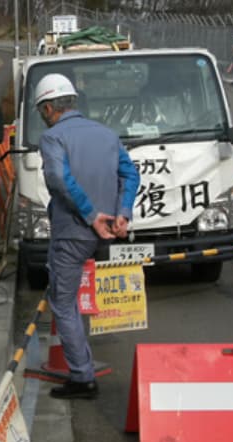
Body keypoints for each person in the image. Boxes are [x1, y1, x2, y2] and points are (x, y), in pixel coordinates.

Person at [34, 73, 140, 399]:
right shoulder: (106, 134)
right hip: (106, 233)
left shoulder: (53, 138)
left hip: (73, 231)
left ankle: (82, 376)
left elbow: (58, 179)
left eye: (42, 110)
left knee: (62, 303)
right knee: (78, 300)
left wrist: (91, 215)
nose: (43, 116)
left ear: (50, 107)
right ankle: (84, 360)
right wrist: (122, 213)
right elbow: (130, 173)